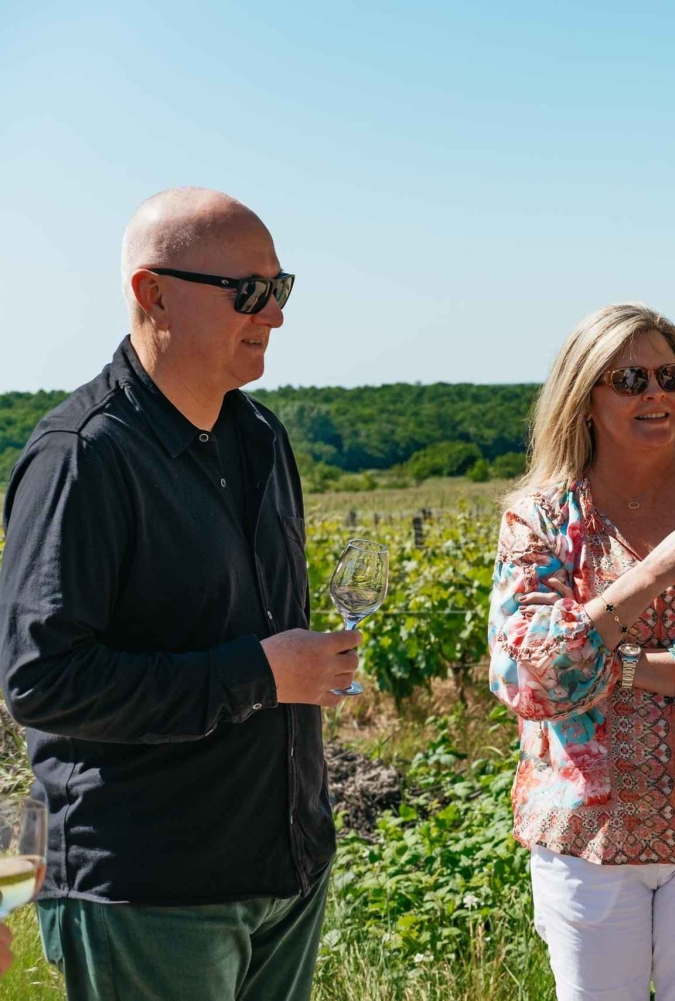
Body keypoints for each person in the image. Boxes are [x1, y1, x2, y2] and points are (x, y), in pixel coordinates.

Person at [0, 188, 360, 1001]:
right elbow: (41, 681)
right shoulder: (81, 458)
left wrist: (297, 673)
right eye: (248, 292)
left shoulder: (260, 436)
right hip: (152, 888)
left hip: (282, 868)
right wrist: (263, 675)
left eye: (280, 288)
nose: (272, 314)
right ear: (152, 293)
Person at [488, 303, 675, 1001]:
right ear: (585, 397)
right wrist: (652, 574)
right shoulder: (539, 518)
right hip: (590, 830)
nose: (658, 394)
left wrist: (617, 662)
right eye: (631, 378)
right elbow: (531, 674)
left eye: (672, 375)